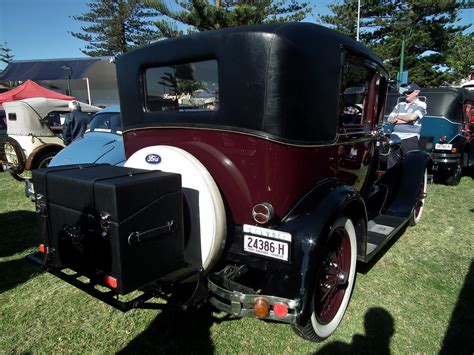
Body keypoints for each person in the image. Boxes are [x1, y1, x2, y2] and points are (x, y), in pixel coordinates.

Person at [387, 83, 427, 168]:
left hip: (410, 138)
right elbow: (389, 119)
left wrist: (397, 117)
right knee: (392, 164)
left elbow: (412, 117)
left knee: (409, 165)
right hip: (395, 138)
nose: (406, 94)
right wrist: (406, 120)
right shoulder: (399, 104)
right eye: (405, 92)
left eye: (409, 92)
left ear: (416, 92)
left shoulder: (421, 104)